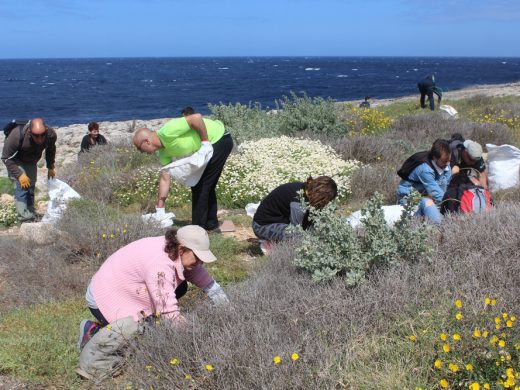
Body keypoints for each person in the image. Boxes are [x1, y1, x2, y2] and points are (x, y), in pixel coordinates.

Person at [76, 225, 228, 380]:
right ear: (182, 250)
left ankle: (120, 323)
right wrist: (197, 338)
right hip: (104, 297)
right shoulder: (159, 265)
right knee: (140, 333)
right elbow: (169, 314)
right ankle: (92, 331)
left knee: (180, 288)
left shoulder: (176, 249)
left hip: (128, 288)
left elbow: (207, 283)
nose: (200, 262)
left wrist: (228, 310)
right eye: (198, 257)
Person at [132, 113, 233, 231]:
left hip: (219, 139)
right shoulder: (163, 153)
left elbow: (196, 118)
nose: (141, 152)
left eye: (139, 148)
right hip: (215, 143)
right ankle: (210, 224)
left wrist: (205, 142)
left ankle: (197, 230)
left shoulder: (167, 132)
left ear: (147, 141)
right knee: (203, 186)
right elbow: (165, 178)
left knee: (201, 186)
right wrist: (160, 207)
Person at [252, 176, 338, 253]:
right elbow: (297, 230)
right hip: (262, 226)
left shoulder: (306, 190)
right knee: (297, 236)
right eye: (326, 200)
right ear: (321, 196)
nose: (325, 203)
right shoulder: (297, 202)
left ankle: (276, 242)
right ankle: (269, 245)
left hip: (281, 222)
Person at [1, 118, 57, 222]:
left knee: (30, 185)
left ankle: (31, 212)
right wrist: (19, 174)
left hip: (31, 159)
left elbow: (51, 150)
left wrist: (50, 166)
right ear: (30, 132)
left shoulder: (50, 135)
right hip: (15, 159)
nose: (40, 139)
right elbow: (6, 158)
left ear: (46, 129)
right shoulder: (16, 136)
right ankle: (24, 217)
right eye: (36, 135)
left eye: (42, 134)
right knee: (22, 185)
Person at [397, 139, 452, 224]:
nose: (447, 164)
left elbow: (446, 185)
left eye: (449, 160)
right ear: (434, 157)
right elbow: (435, 192)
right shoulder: (425, 169)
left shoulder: (445, 165)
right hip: (409, 198)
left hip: (426, 193)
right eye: (444, 161)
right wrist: (450, 205)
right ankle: (438, 227)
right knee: (428, 203)